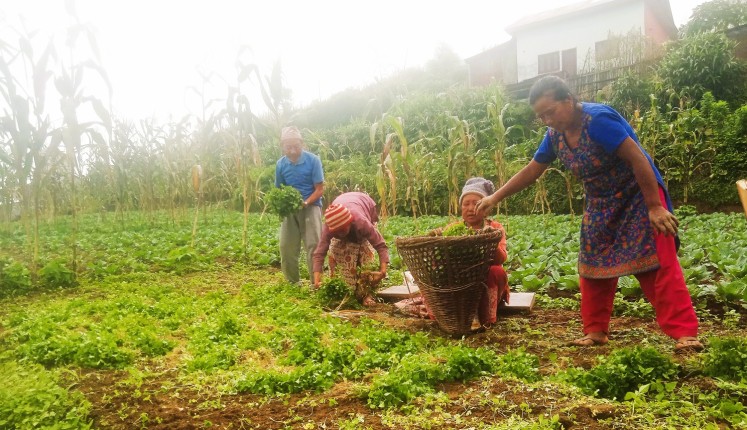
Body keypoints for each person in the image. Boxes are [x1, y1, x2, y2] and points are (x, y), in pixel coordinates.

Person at [475, 76, 703, 352]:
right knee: (592, 263)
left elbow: (638, 159)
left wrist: (654, 206)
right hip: (601, 203)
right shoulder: (554, 136)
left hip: (639, 196)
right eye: (541, 115)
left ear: (568, 101)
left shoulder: (598, 121)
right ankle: (595, 331)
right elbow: (533, 170)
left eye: (550, 111)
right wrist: (494, 197)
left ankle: (685, 334)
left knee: (657, 261)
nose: (547, 119)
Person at [430, 177, 510, 328]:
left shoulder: (495, 227)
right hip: (459, 278)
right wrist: (437, 240)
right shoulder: (452, 229)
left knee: (496, 271)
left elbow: (501, 259)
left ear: (486, 207)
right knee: (434, 273)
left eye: (476, 203)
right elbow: (439, 259)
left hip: (484, 278)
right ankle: (445, 313)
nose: (470, 208)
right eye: (466, 204)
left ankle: (487, 317)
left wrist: (491, 239)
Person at [312, 192, 389, 306]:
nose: (340, 234)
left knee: (365, 254)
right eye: (337, 232)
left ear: (349, 222)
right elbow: (319, 253)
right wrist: (317, 279)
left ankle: (366, 294)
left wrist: (383, 271)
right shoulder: (329, 227)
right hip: (344, 205)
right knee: (337, 253)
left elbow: (380, 245)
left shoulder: (361, 222)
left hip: (364, 205)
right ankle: (344, 291)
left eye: (343, 230)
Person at [275, 126, 325, 284]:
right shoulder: (281, 164)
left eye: (296, 146)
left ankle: (316, 283)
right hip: (290, 210)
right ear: (283, 146)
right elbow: (279, 190)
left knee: (314, 245)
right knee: (286, 246)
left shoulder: (313, 160)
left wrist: (305, 202)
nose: (292, 150)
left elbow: (319, 189)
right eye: (288, 147)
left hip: (311, 207)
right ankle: (293, 283)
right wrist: (283, 205)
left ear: (302, 144)